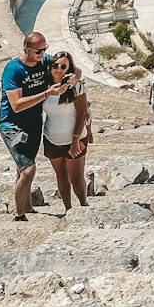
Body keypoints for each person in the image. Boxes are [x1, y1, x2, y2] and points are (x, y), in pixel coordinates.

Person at [0, 32, 76, 221]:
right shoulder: (13, 69)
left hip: (34, 123)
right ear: (26, 49)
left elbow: (69, 64)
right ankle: (19, 216)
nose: (43, 54)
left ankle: (27, 206)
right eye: (39, 51)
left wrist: (75, 76)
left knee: (23, 165)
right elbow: (16, 105)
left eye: (45, 49)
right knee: (28, 168)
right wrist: (47, 94)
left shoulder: (44, 61)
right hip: (12, 125)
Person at [42, 52, 89, 213]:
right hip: (52, 138)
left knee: (76, 178)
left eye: (63, 66)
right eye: (55, 65)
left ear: (69, 68)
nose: (58, 69)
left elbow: (82, 113)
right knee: (61, 176)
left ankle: (83, 205)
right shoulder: (45, 86)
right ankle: (68, 210)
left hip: (74, 139)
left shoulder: (76, 86)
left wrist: (76, 140)